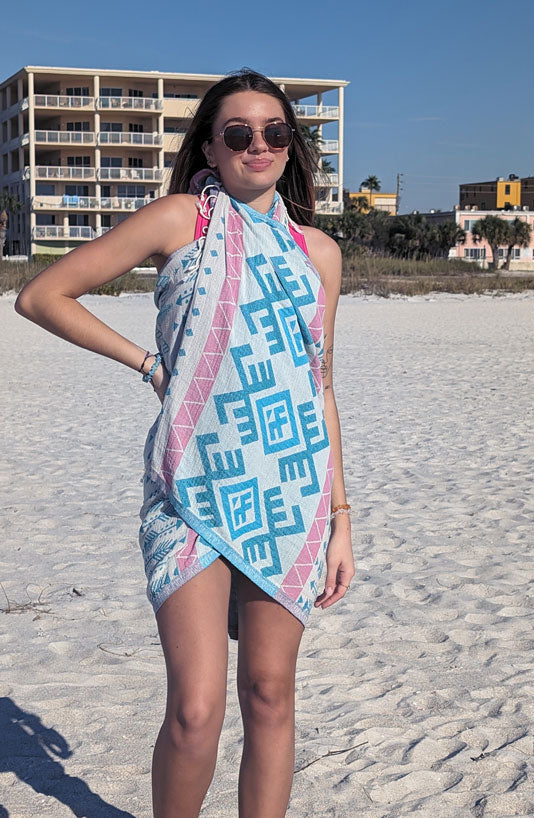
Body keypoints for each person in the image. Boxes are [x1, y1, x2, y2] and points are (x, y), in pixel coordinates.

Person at [15, 68, 355, 818]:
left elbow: (318, 386)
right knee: (196, 711)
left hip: (288, 491)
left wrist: (341, 518)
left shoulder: (318, 255)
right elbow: (42, 296)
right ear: (211, 144)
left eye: (273, 131)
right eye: (238, 133)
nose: (257, 145)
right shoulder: (180, 220)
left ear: (291, 146)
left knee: (269, 695)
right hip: (189, 488)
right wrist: (148, 364)